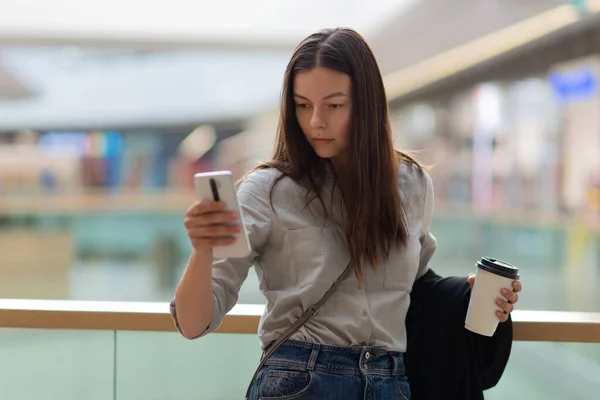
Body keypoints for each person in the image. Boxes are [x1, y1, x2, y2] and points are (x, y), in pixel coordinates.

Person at [170, 27, 523, 400]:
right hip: (299, 381)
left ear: (367, 104)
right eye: (302, 105)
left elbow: (416, 290)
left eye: (334, 105)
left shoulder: (411, 183)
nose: (316, 121)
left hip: (390, 383)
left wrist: (470, 296)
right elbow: (192, 324)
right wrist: (203, 250)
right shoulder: (267, 190)